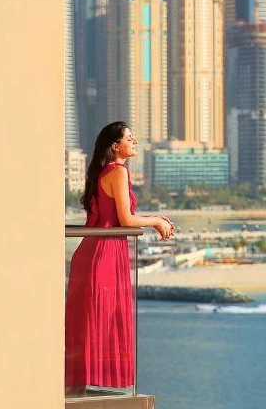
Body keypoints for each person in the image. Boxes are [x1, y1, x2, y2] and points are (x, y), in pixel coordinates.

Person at [65, 121, 176, 394]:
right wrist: (156, 221)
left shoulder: (104, 171)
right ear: (116, 145)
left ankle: (78, 386)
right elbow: (125, 218)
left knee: (90, 319)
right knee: (103, 317)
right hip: (104, 253)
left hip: (95, 251)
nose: (135, 141)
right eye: (130, 138)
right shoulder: (118, 171)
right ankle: (85, 388)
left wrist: (154, 219)